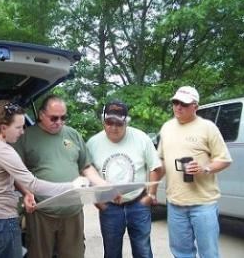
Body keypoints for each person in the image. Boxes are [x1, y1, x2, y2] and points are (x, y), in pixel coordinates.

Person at [0, 99, 89, 258]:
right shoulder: (3, 151)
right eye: (19, 127)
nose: (22, 132)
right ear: (3, 127)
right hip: (1, 222)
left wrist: (27, 194)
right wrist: (72, 186)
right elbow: (33, 184)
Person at [14, 94, 107, 258]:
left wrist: (103, 185)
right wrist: (26, 193)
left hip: (72, 212)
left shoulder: (72, 134)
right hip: (41, 212)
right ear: (41, 115)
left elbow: (86, 166)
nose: (59, 122)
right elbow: (15, 174)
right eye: (54, 118)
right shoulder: (25, 136)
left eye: (63, 117)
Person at [158, 86, 232, 258]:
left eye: (183, 103)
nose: (178, 107)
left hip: (203, 204)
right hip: (175, 203)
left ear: (195, 107)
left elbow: (224, 159)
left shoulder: (208, 127)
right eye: (175, 102)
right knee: (181, 253)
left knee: (209, 254)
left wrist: (205, 168)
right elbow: (161, 159)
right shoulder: (167, 127)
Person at [86, 99, 164, 258]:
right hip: (109, 206)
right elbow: (86, 172)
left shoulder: (141, 138)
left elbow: (155, 167)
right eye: (109, 122)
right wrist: (97, 201)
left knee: (143, 250)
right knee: (111, 252)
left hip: (138, 204)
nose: (113, 128)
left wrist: (151, 195)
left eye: (118, 124)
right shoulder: (93, 143)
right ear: (103, 121)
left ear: (126, 122)